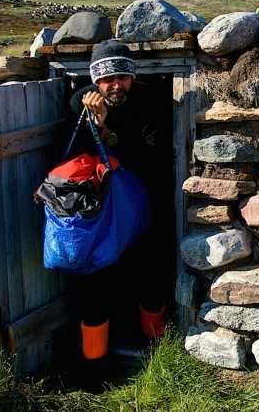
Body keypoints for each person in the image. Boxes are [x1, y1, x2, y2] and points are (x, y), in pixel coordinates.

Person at [67, 39, 172, 360]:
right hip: (100, 213)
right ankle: (94, 362)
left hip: (146, 208)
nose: (115, 85)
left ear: (131, 76)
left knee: (151, 276)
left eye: (122, 77)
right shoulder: (78, 106)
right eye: (107, 79)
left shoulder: (150, 103)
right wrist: (91, 122)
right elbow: (73, 160)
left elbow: (148, 159)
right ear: (95, 81)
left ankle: (155, 350)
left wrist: (107, 127)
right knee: (95, 285)